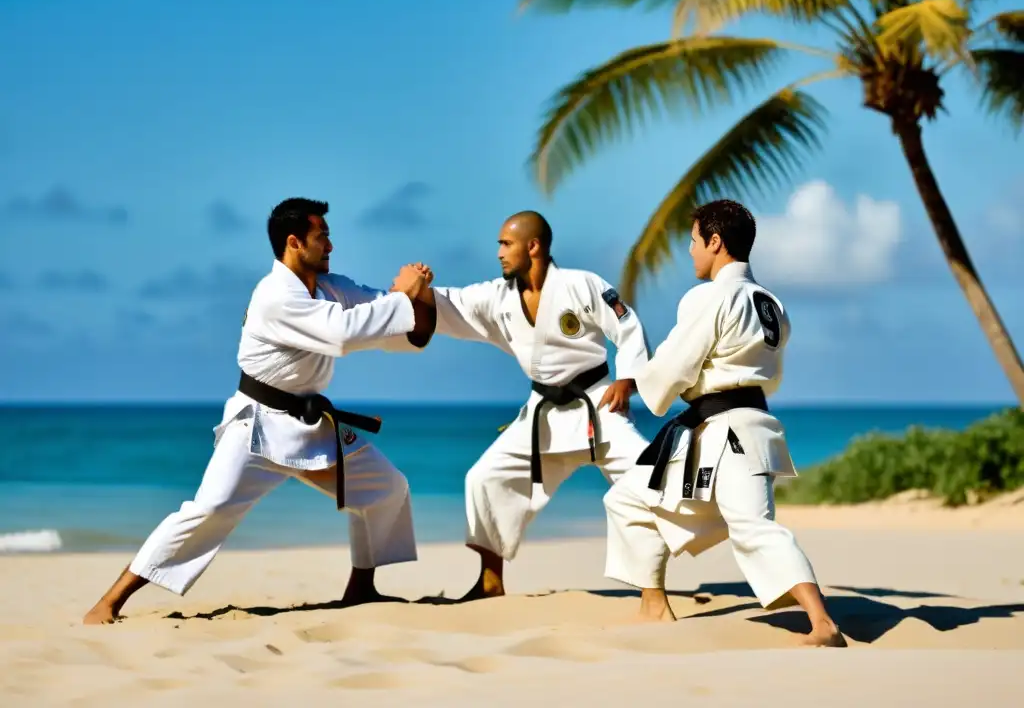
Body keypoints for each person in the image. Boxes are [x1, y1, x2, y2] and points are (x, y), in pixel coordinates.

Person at [83, 197, 438, 625]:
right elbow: (342, 333)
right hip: (257, 427)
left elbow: (382, 313)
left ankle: (361, 589)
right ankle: (111, 601)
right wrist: (405, 295)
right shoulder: (275, 296)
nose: (331, 245)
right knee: (208, 511)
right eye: (322, 236)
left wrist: (419, 297)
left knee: (386, 487)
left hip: (312, 426)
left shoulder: (330, 287)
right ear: (294, 242)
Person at [600, 199, 846, 646]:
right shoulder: (771, 304)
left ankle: (822, 622)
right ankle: (653, 605)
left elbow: (676, 365)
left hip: (727, 434)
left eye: (694, 242)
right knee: (627, 500)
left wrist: (636, 376)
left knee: (754, 527)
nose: (690, 252)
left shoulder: (712, 296)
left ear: (716, 242)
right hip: (743, 427)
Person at [411, 210, 653, 600]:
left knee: (650, 475)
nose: (499, 253)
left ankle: (651, 585)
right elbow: (453, 303)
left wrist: (628, 379)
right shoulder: (498, 297)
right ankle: (490, 581)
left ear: (533, 246)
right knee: (484, 478)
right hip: (542, 411)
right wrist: (420, 288)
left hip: (595, 404)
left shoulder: (582, 285)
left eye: (506, 244)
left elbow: (626, 326)